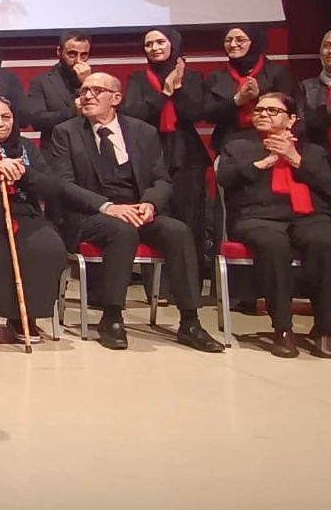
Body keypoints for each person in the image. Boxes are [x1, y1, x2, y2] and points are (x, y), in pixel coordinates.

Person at [44, 72, 224, 353]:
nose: (87, 96)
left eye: (96, 90)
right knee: (122, 231)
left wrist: (150, 204)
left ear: (116, 98)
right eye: (84, 91)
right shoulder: (65, 132)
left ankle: (190, 321)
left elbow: (161, 180)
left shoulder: (143, 132)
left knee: (178, 231)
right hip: (90, 214)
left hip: (137, 208)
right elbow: (63, 185)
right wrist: (108, 207)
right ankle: (112, 317)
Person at [216, 92, 331, 358]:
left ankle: (325, 328)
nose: (263, 114)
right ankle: (282, 329)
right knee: (273, 244)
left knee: (325, 240)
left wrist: (294, 159)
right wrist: (264, 162)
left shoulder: (313, 151)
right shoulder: (238, 146)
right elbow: (225, 178)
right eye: (259, 110)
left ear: (291, 119)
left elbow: (327, 186)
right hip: (257, 218)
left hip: (308, 217)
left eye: (272, 110)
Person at [122, 28, 211, 295]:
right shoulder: (138, 78)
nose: (154, 48)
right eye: (149, 44)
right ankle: (158, 289)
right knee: (155, 218)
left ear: (174, 45)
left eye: (160, 42)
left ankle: (189, 288)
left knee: (189, 220)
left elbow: (195, 113)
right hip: (151, 153)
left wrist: (178, 89)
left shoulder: (192, 77)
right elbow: (132, 113)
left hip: (186, 155)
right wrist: (164, 92)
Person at [0, 96, 68, 344]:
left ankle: (23, 316)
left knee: (46, 247)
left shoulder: (26, 148)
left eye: (6, 117)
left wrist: (24, 173)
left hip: (23, 212)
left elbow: (51, 187)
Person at [203, 26, 297, 153]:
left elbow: (290, 108)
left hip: (271, 141)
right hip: (228, 143)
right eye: (228, 40)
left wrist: (259, 97)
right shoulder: (216, 77)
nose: (233, 44)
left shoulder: (278, 73)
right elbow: (208, 115)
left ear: (254, 42)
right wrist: (236, 101)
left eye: (240, 40)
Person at [27, 31, 92, 142]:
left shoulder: (96, 81)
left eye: (83, 55)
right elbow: (37, 121)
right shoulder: (42, 82)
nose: (78, 61)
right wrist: (73, 111)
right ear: (59, 51)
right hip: (55, 147)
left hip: (88, 146)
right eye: (72, 54)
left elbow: (108, 115)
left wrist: (87, 83)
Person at [295, 29, 331, 150]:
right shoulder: (305, 87)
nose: (330, 51)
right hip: (317, 154)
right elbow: (301, 127)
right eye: (326, 46)